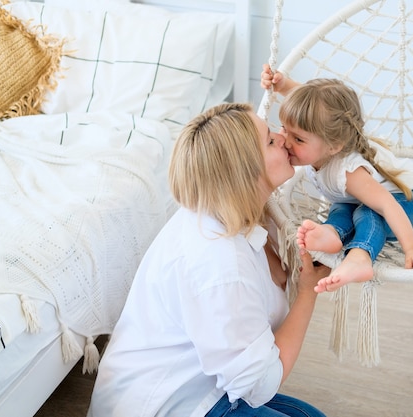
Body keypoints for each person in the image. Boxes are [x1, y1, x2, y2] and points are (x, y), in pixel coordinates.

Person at [87, 103, 329, 417]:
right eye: (270, 140)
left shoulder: (239, 213)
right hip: (167, 406)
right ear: (243, 170)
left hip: (203, 386)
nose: (283, 138)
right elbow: (261, 385)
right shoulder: (220, 262)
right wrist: (308, 293)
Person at [261, 64, 413, 293]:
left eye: (298, 139)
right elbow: (314, 105)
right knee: (341, 208)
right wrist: (284, 86)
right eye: (284, 129)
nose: (285, 140)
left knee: (365, 212)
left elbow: (387, 204)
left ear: (334, 146)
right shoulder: (325, 137)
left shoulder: (349, 172)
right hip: (380, 201)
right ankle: (332, 233)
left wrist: (412, 249)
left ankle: (360, 256)